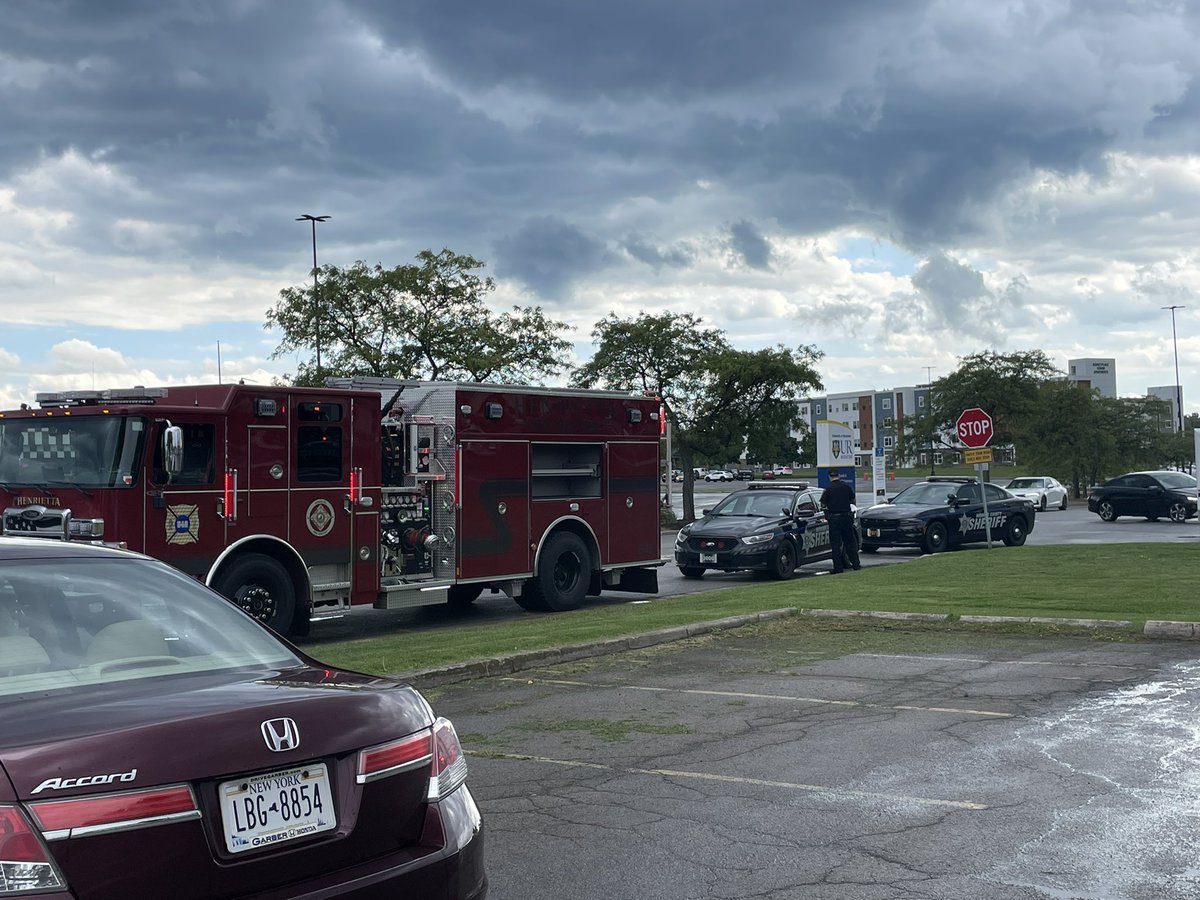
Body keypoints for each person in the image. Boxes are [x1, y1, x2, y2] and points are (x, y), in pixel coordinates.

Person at [820, 469, 861, 574]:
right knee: (850, 542)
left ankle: (838, 568)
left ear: (830, 476)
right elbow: (852, 499)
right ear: (838, 476)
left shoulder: (828, 489)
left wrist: (828, 516)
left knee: (835, 544)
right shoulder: (846, 487)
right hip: (846, 518)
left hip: (834, 519)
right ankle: (856, 564)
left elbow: (823, 504)